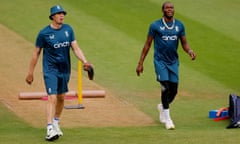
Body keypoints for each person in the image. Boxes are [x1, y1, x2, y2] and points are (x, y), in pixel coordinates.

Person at [25, 5, 92, 141]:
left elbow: (76, 48)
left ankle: (56, 122)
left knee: (61, 97)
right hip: (50, 70)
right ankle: (49, 129)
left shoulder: (68, 30)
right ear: (52, 16)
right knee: (52, 97)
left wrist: (85, 61)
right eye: (59, 14)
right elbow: (36, 53)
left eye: (63, 14)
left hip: (64, 70)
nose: (62, 16)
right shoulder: (44, 34)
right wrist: (30, 73)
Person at [136, 1, 196, 130]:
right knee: (165, 87)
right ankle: (168, 119)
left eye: (171, 7)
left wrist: (189, 51)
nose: (170, 9)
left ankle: (162, 106)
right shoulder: (155, 25)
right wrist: (140, 63)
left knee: (174, 90)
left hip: (173, 61)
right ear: (162, 10)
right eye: (167, 8)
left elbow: (184, 43)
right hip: (160, 61)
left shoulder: (179, 25)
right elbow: (147, 44)